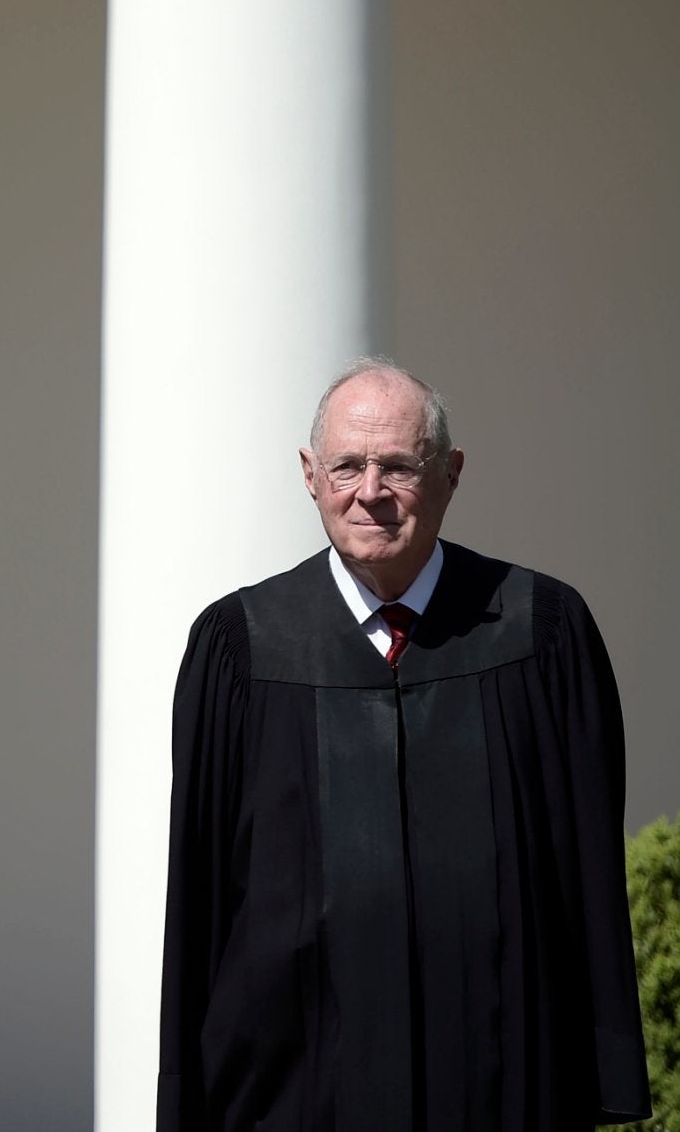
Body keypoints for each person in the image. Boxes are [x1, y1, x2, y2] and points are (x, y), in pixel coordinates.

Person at [159, 359, 650, 1131]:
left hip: (503, 1076)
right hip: (291, 1083)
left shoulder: (540, 630)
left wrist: (604, 1068)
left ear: (450, 473)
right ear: (309, 474)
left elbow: (585, 865)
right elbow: (199, 889)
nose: (369, 491)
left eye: (397, 465)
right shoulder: (239, 647)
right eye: (346, 465)